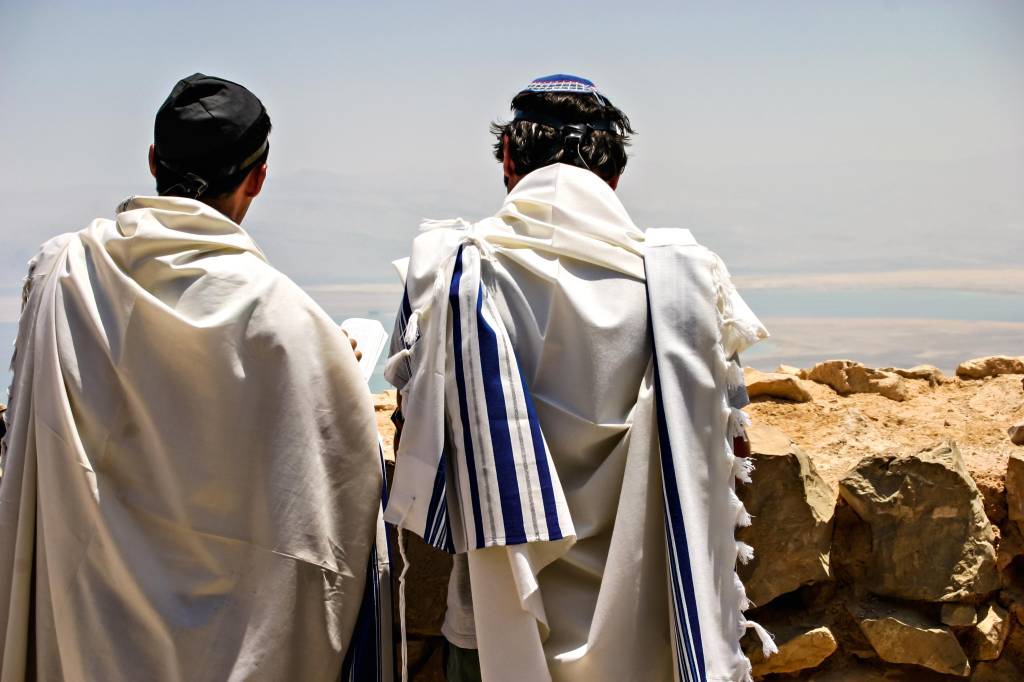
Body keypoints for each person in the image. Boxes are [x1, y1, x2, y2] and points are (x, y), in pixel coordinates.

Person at [384, 74, 775, 682]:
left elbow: (415, 443)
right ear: (614, 175)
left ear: (509, 159)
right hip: (650, 630)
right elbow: (730, 453)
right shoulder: (685, 285)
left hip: (492, 622)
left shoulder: (454, 274)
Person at [0, 73, 390, 682]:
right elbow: (338, 487)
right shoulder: (289, 318)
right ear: (258, 178)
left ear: (154, 160)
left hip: (79, 627)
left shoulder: (63, 273)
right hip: (233, 650)